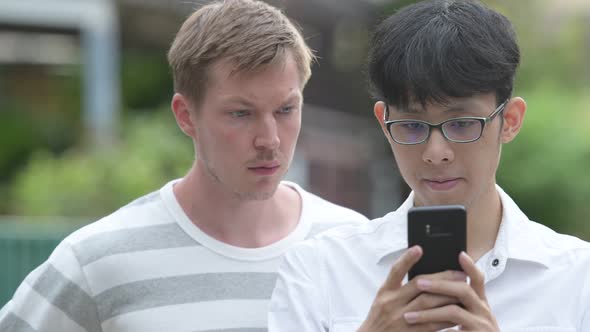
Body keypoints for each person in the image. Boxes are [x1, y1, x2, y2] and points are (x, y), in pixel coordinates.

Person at [0, 0, 368, 331]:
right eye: (241, 113)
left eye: (286, 109)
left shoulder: (353, 245)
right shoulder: (98, 259)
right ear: (185, 115)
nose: (269, 139)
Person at [268, 0, 590, 331]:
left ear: (509, 120)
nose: (436, 153)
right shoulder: (321, 269)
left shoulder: (577, 277)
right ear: (384, 122)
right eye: (412, 126)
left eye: (462, 124)